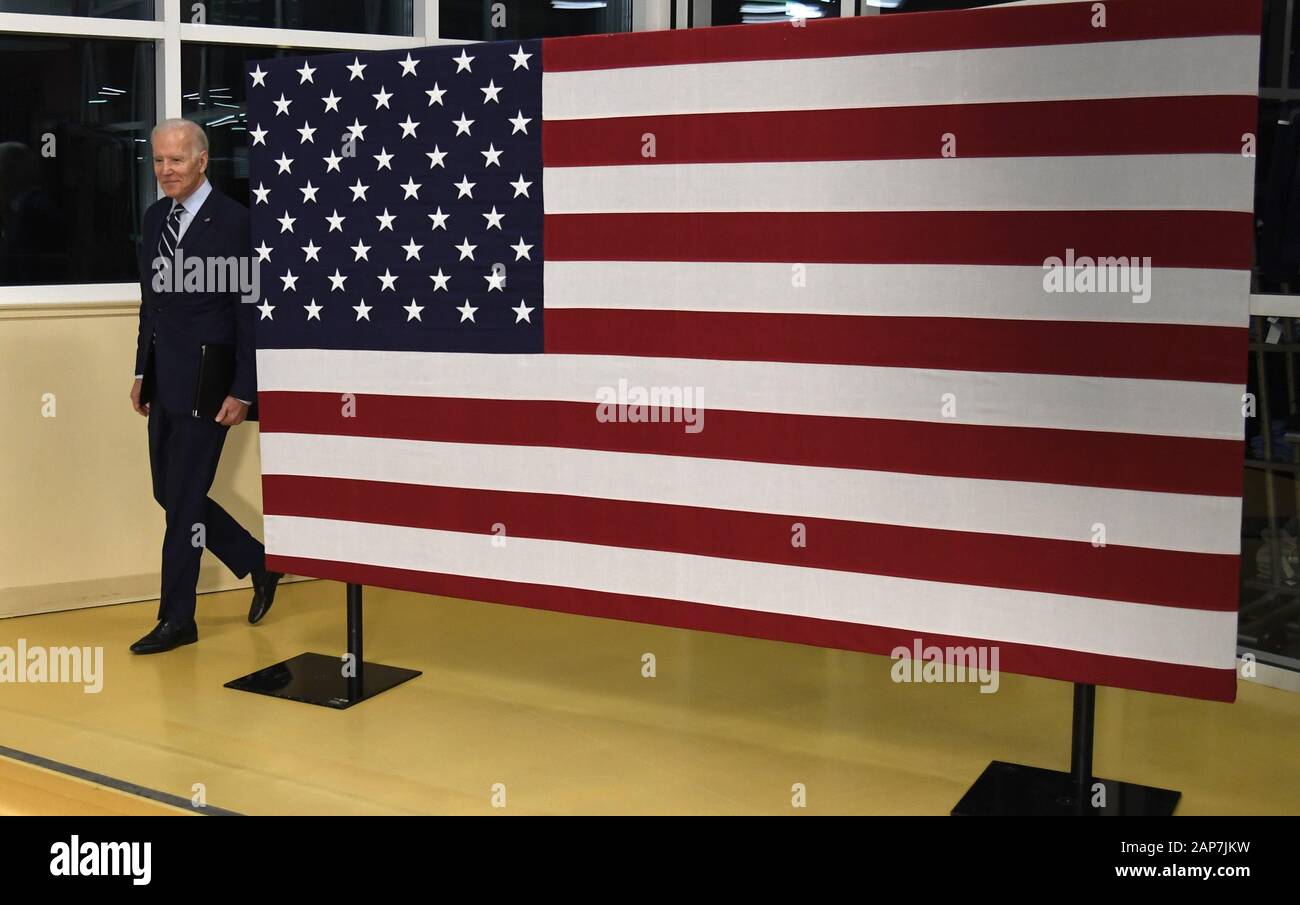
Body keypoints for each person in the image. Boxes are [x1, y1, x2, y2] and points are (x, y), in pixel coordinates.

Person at [128, 118, 282, 654]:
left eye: (175, 160)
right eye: (158, 160)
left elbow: (250, 313)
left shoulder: (237, 223)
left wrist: (244, 389)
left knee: (186, 499)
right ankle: (259, 564)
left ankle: (177, 619)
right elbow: (154, 304)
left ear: (202, 160)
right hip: (163, 378)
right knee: (167, 492)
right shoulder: (154, 219)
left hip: (210, 383)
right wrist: (141, 370)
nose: (165, 170)